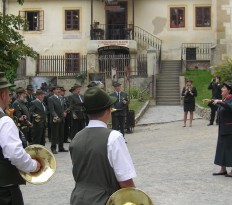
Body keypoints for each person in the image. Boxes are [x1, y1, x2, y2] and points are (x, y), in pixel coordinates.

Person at [69, 87, 136, 205]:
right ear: (109, 110)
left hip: (77, 199)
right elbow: (125, 181)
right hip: (105, 200)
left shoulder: (77, 137)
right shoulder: (114, 137)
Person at [0, 72, 40, 205]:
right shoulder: (4, 121)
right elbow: (14, 153)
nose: (9, 98)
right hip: (5, 190)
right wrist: (33, 166)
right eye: (8, 94)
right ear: (3, 95)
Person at [203, 81, 232, 177]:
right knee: (222, 148)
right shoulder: (225, 99)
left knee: (229, 149)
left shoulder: (230, 99)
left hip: (229, 128)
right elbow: (219, 107)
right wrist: (211, 102)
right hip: (223, 128)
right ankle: (223, 169)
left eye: (223, 88)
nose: (221, 89)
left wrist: (220, 102)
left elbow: (229, 107)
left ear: (229, 90)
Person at [48, 86, 67, 154]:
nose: (58, 90)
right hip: (55, 119)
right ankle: (53, 148)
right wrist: (56, 116)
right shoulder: (51, 98)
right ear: (53, 91)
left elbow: (64, 107)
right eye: (57, 89)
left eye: (59, 89)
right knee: (54, 135)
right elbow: (51, 110)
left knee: (61, 134)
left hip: (62, 118)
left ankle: (61, 147)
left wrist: (65, 112)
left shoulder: (61, 98)